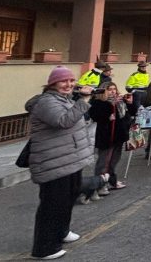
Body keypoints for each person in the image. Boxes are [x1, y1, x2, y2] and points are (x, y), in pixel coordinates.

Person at [26, 66, 101, 260]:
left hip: (68, 159)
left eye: (71, 81)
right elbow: (63, 121)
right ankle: (45, 247)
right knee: (52, 203)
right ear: (52, 84)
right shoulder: (46, 102)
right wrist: (83, 100)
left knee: (68, 197)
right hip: (53, 161)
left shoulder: (65, 99)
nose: (69, 85)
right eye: (63, 81)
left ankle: (62, 231)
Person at [88, 82, 136, 193]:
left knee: (113, 161)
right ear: (104, 91)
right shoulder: (99, 102)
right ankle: (99, 184)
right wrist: (108, 112)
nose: (113, 91)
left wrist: (130, 103)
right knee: (104, 162)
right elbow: (95, 116)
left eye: (114, 89)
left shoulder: (120, 102)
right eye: (110, 89)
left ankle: (111, 180)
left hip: (119, 136)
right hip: (106, 136)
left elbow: (130, 114)